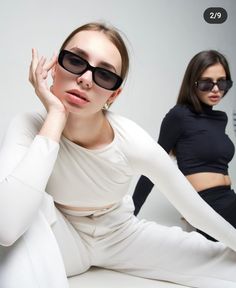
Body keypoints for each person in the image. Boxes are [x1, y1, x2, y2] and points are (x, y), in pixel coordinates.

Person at [0, 25, 236, 288]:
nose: (86, 79)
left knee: (224, 262)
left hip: (119, 236)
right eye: (75, 61)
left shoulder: (132, 141)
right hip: (61, 237)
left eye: (105, 75)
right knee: (26, 208)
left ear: (114, 94)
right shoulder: (28, 125)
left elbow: (195, 211)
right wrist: (55, 115)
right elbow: (7, 226)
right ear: (54, 67)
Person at [133, 50, 236, 241]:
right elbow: (153, 166)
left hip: (229, 199)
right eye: (206, 83)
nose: (216, 89)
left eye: (222, 82)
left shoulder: (219, 119)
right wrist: (130, 215)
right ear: (193, 83)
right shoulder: (179, 116)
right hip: (207, 206)